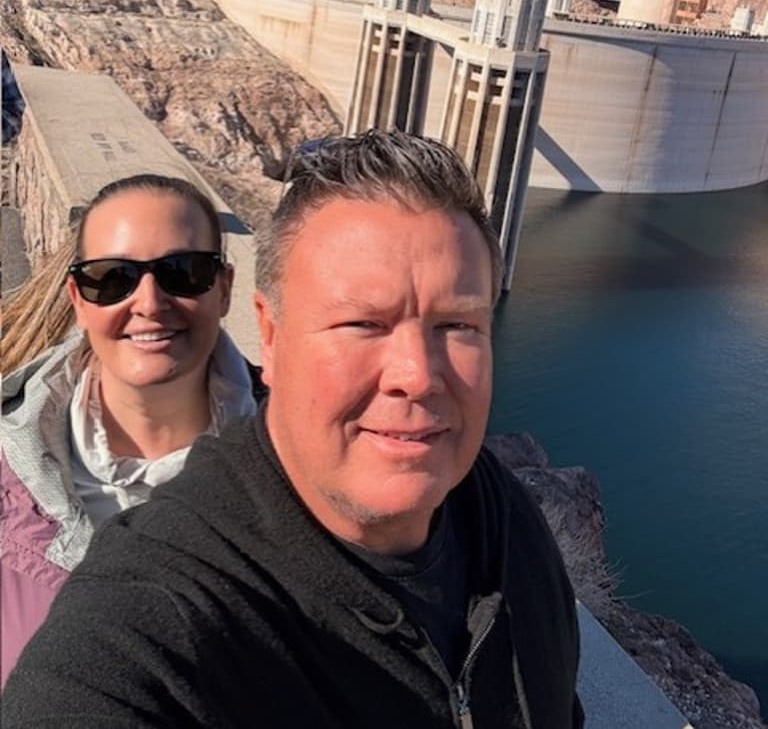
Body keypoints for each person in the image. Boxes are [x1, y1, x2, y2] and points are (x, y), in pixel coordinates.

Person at [3, 132, 583, 728]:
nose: (418, 375)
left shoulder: (503, 519)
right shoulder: (155, 609)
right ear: (271, 337)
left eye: (457, 325)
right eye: (362, 323)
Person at [1, 173, 260, 685]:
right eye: (113, 277)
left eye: (183, 272)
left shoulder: (306, 468)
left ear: (225, 288)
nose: (148, 302)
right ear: (77, 297)